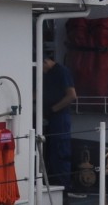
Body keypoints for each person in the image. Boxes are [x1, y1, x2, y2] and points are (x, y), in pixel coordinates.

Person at [42, 55, 78, 201]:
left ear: (45, 61)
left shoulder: (62, 71)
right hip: (49, 117)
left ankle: (64, 190)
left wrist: (53, 109)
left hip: (60, 117)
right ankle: (53, 185)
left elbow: (71, 96)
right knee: (51, 152)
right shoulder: (48, 75)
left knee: (61, 152)